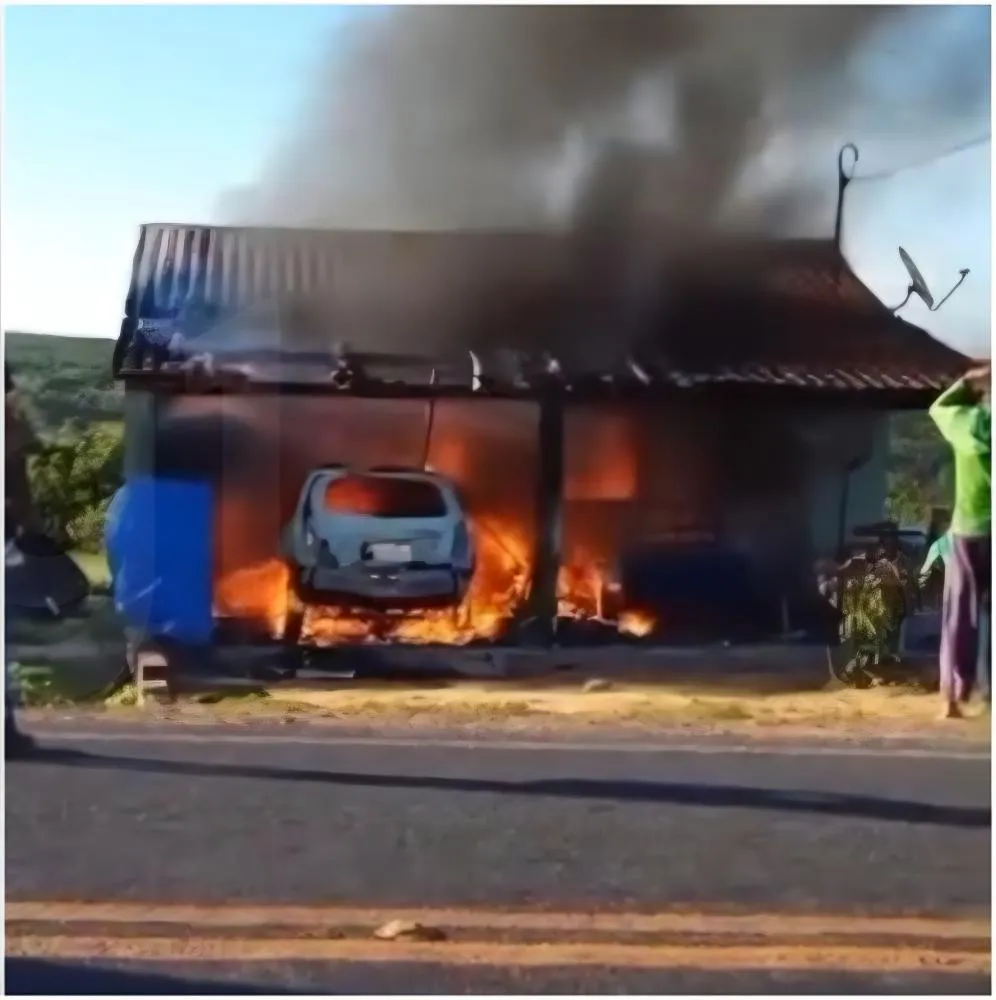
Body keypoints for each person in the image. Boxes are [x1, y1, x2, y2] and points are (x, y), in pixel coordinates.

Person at [928, 362, 991, 719]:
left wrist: (971, 380)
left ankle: (952, 696)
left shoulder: (966, 423)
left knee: (959, 615)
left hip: (968, 529)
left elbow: (940, 407)